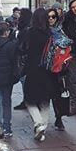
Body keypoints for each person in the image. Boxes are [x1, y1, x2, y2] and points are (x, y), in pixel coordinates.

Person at [23, 8, 57, 142]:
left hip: (33, 69)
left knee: (29, 99)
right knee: (45, 99)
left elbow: (23, 49)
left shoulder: (29, 32)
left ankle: (38, 124)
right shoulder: (51, 33)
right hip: (48, 70)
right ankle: (43, 128)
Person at [48, 8, 71, 131]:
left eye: (53, 17)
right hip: (45, 68)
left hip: (58, 68)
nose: (51, 19)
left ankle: (59, 118)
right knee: (45, 95)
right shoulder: (43, 31)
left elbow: (67, 45)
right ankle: (40, 120)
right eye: (49, 17)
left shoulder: (60, 31)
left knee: (57, 94)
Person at [13, 7, 33, 110]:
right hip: (26, 58)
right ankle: (27, 100)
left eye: (20, 14)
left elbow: (23, 46)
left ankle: (27, 101)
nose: (18, 16)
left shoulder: (26, 30)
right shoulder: (27, 28)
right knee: (24, 80)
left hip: (24, 58)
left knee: (24, 80)